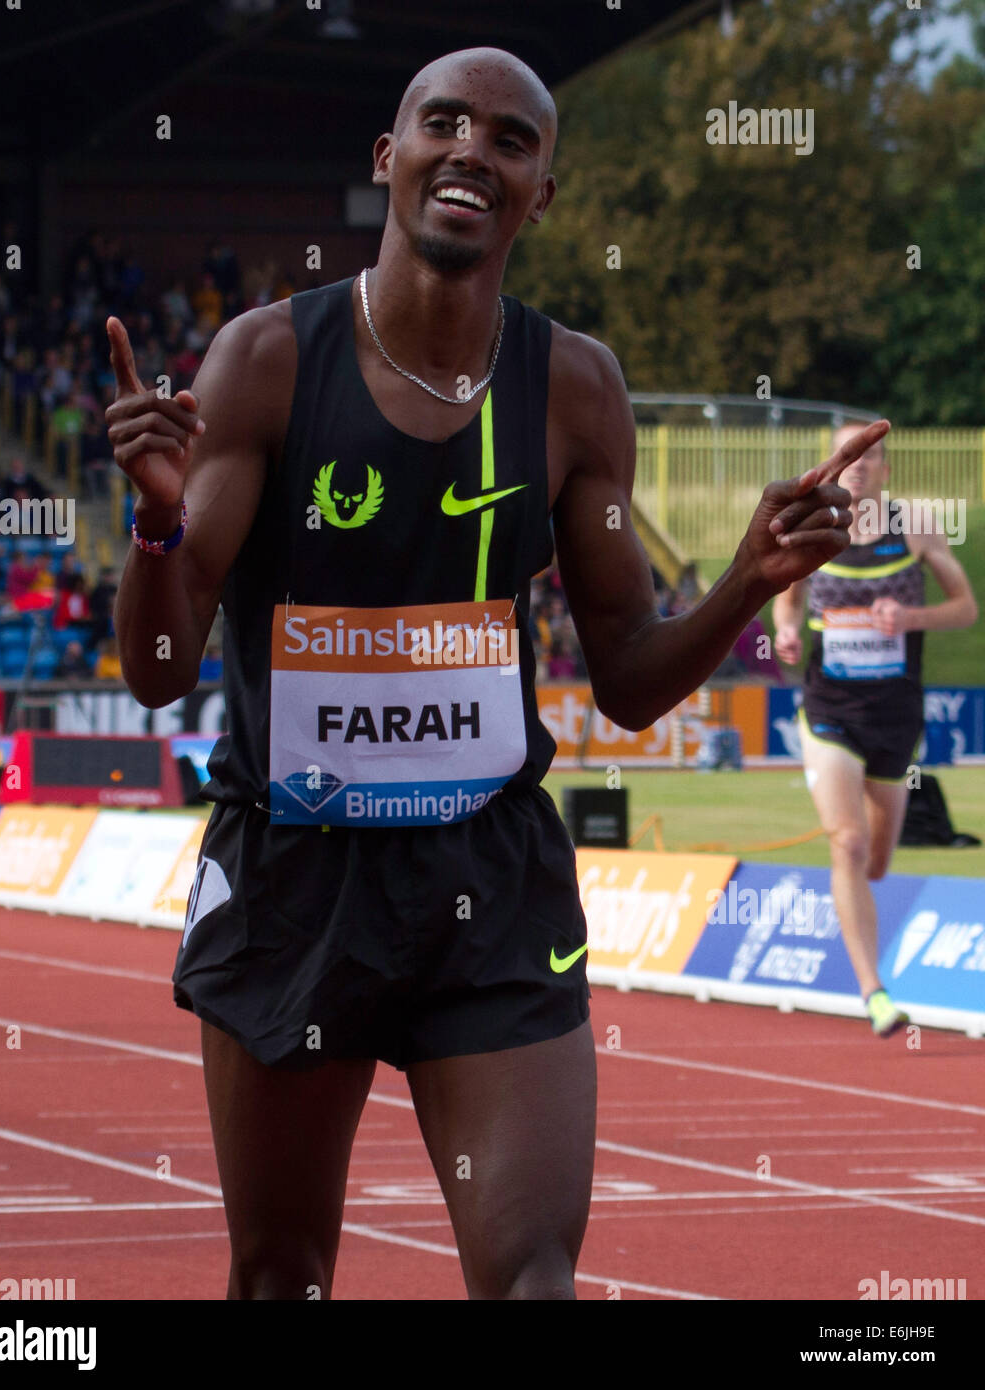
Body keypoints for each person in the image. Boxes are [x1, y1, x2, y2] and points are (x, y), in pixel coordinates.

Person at [107, 47, 888, 1300]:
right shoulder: (265, 361)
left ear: (542, 195)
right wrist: (153, 531)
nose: (472, 148)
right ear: (389, 157)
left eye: (510, 139)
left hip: (490, 878)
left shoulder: (574, 389)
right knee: (280, 1273)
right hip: (294, 873)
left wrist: (746, 578)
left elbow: (625, 678)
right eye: (443, 122)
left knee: (531, 1276)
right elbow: (154, 671)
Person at [773, 424, 977, 1036]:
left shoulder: (914, 524)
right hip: (829, 708)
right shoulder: (815, 527)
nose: (858, 468)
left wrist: (909, 616)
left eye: (871, 458)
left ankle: (864, 927)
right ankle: (874, 992)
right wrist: (785, 629)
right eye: (849, 457)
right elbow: (787, 596)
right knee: (850, 844)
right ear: (832, 467)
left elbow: (966, 609)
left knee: (879, 862)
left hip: (895, 714)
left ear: (885, 471)